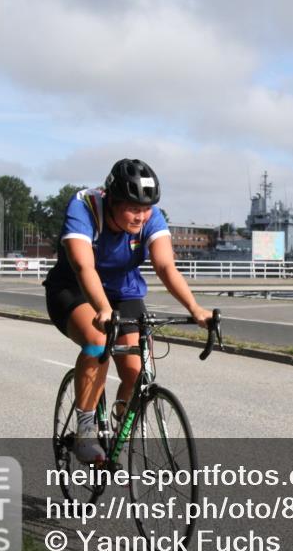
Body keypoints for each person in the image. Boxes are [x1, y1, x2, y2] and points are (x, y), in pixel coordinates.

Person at [43, 159, 212, 463]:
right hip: (74, 287)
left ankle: (120, 425)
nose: (141, 215)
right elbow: (84, 266)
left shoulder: (151, 217)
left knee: (137, 373)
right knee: (97, 341)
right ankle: (85, 432)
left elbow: (164, 266)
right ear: (112, 200)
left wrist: (195, 308)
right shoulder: (85, 207)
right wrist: (103, 309)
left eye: (146, 208)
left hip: (124, 292)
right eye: (133, 208)